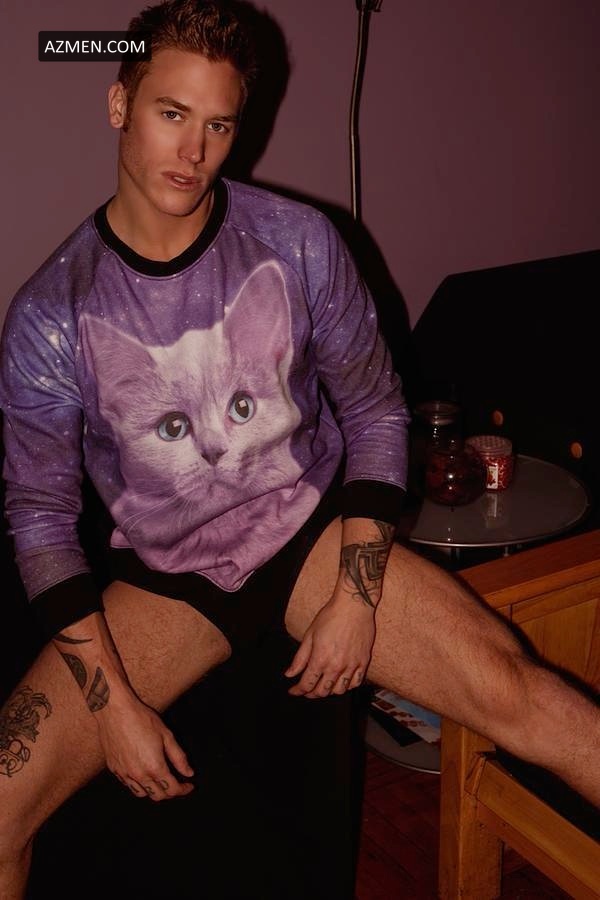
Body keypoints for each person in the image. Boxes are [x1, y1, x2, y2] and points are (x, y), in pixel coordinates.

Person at [0, 1, 598, 897]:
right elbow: (41, 519)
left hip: (308, 534)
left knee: (514, 689)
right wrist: (112, 703)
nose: (194, 151)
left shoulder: (298, 241)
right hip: (168, 575)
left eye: (218, 125)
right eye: (172, 114)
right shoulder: (52, 313)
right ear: (119, 103)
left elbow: (376, 412)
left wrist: (357, 594)